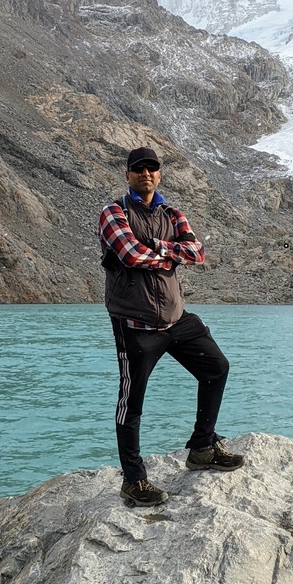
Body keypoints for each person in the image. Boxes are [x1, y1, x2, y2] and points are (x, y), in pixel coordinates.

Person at [99, 145, 241, 505]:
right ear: (128, 174)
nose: (146, 173)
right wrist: (168, 254)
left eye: (152, 168)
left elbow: (197, 253)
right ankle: (133, 480)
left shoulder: (173, 213)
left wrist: (159, 248)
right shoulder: (113, 212)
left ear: (159, 174)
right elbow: (129, 253)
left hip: (177, 319)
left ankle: (202, 447)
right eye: (138, 169)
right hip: (136, 325)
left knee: (216, 368)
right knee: (132, 402)